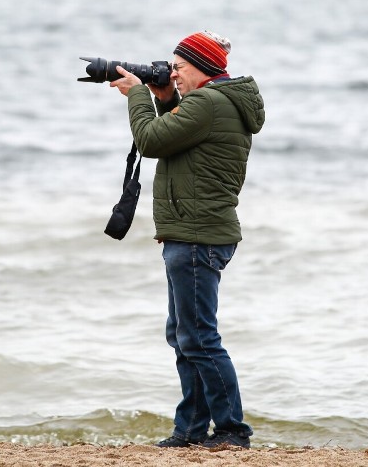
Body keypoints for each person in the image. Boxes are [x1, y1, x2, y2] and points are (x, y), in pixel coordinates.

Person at [109, 31, 265, 449]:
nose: (173, 72)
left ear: (203, 66)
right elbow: (180, 135)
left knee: (198, 338)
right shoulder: (216, 102)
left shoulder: (210, 102)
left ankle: (232, 431)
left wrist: (138, 96)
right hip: (195, 232)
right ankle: (192, 430)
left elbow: (152, 140)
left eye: (179, 66)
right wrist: (163, 98)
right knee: (184, 335)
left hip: (198, 235)